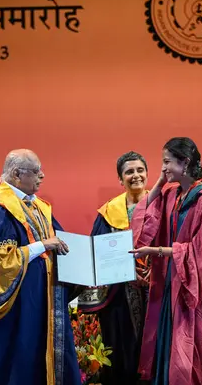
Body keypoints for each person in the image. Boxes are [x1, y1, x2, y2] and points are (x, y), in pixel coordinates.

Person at [0, 149, 81, 385]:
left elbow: (61, 244)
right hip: (18, 305)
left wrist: (85, 265)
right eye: (36, 171)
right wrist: (42, 245)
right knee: (22, 359)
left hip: (43, 299)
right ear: (17, 173)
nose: (42, 176)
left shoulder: (39, 207)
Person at [130, 137, 202, 385]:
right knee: (168, 356)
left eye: (167, 162)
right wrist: (158, 182)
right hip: (172, 287)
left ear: (185, 162)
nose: (163, 168)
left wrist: (160, 252)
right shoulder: (173, 195)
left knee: (195, 359)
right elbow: (141, 225)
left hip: (197, 293)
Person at [77, 151, 149, 385]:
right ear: (120, 179)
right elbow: (98, 252)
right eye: (129, 172)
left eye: (140, 170)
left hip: (156, 293)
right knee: (120, 354)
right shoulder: (109, 213)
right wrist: (128, 269)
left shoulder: (162, 207)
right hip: (119, 298)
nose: (136, 175)